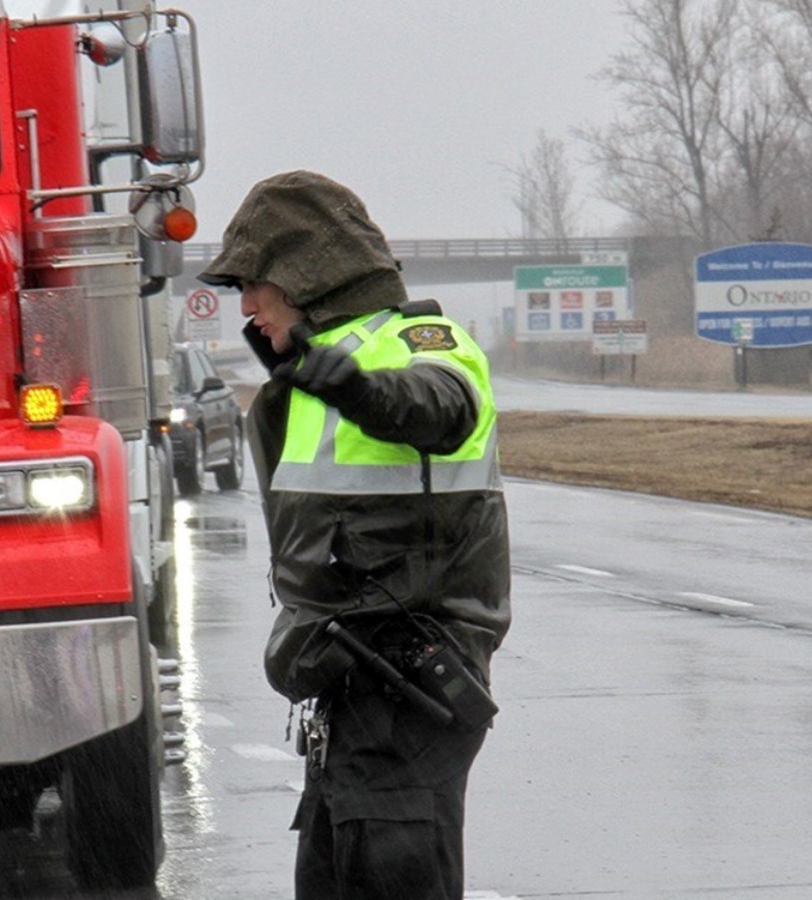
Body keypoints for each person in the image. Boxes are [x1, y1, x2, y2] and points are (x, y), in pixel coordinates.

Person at [197, 170, 511, 900]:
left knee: (391, 874)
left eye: (255, 283)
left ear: (306, 276)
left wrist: (351, 384)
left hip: (408, 686)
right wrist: (301, 378)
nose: (245, 305)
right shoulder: (313, 371)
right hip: (352, 683)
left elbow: (441, 405)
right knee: (333, 879)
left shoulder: (417, 340)